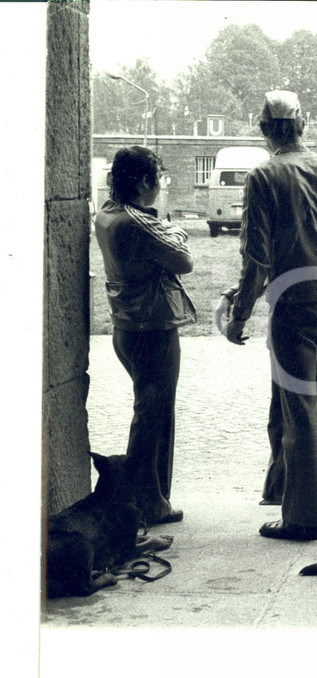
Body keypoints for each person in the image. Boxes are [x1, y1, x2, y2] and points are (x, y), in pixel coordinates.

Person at [224, 90, 317, 541]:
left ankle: (303, 518)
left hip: (295, 303)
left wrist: (238, 316)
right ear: (303, 126)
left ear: (265, 129)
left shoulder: (264, 177)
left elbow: (257, 259)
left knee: (299, 409)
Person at [93, 146, 196, 526]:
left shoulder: (107, 213)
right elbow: (184, 259)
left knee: (152, 412)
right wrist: (175, 230)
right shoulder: (136, 223)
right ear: (142, 182)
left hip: (127, 326)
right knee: (152, 417)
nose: (160, 185)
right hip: (152, 329)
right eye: (157, 178)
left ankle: (155, 497)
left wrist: (165, 228)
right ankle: (146, 504)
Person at [213, 288, 317, 508]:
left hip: (294, 312)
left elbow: (262, 264)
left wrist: (235, 306)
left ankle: (287, 493)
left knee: (291, 405)